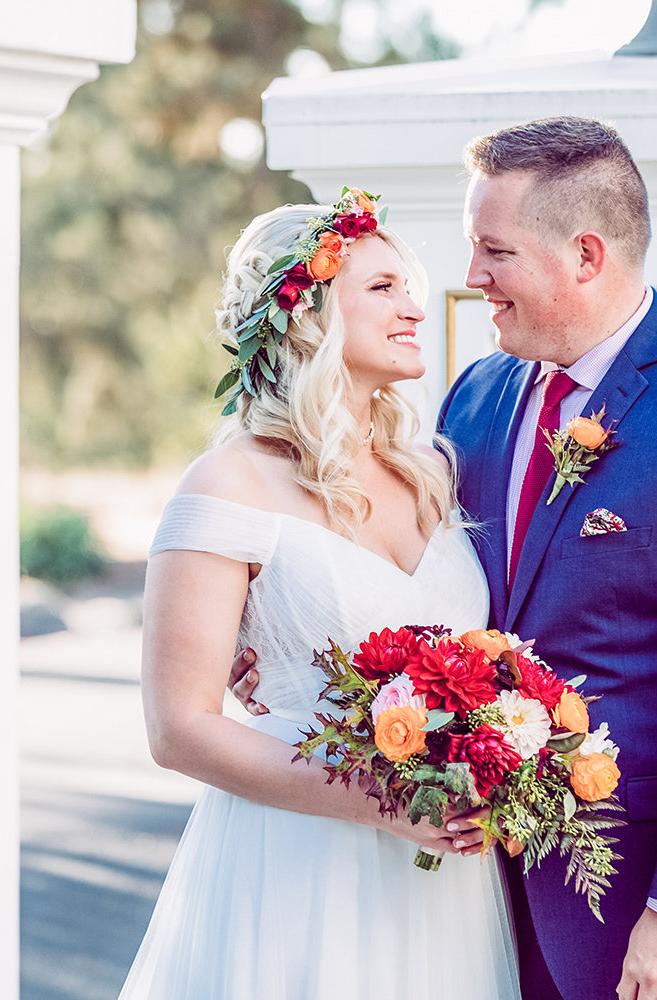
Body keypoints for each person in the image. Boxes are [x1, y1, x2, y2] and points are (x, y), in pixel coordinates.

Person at [235, 118, 657, 1000]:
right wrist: (288, 642)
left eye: (493, 251)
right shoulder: (481, 393)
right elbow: (418, 573)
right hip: (487, 900)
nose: (471, 277)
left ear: (585, 255)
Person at [117, 194, 520, 999]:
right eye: (382, 289)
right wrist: (382, 800)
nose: (415, 308)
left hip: (446, 876)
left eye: (409, 287)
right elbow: (179, 728)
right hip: (299, 864)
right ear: (306, 310)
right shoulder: (228, 483)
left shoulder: (433, 469)